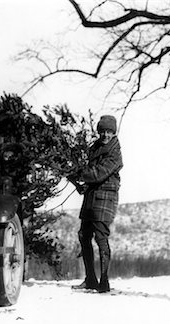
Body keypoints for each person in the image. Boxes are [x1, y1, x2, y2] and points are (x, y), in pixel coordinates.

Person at [71, 115, 123, 293]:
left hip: (105, 198)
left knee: (101, 237)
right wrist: (81, 182)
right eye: (102, 131)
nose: (105, 135)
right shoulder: (95, 148)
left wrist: (81, 174)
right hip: (92, 196)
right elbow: (91, 173)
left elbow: (100, 173)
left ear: (113, 132)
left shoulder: (115, 152)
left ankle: (105, 281)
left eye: (109, 131)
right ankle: (91, 279)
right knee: (83, 236)